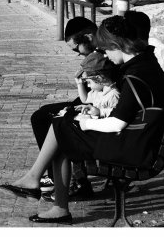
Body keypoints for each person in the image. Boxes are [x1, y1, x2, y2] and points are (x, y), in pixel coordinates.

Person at [1, 14, 164, 224]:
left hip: (134, 147)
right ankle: (42, 188)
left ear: (117, 44)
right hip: (138, 137)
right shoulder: (143, 64)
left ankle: (47, 192)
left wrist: (87, 123)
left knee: (63, 125)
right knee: (62, 123)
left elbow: (117, 122)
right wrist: (92, 113)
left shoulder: (135, 75)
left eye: (106, 49)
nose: (105, 55)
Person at [28, 17, 98, 197]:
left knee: (49, 118)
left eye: (77, 49)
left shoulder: (104, 55)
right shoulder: (98, 52)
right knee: (41, 115)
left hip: (95, 105)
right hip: (91, 101)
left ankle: (66, 180)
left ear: (89, 37)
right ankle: (56, 176)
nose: (79, 54)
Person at [67, 51, 120, 119]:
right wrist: (79, 84)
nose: (88, 86)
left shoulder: (113, 96)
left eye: (89, 82)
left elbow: (115, 118)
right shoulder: (98, 92)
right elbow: (85, 100)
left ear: (99, 79)